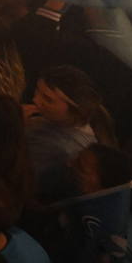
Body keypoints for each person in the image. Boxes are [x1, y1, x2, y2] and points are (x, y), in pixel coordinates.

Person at [25, 65, 116, 203]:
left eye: (48, 99)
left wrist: (13, 126)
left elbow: (24, 181)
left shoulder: (66, 150)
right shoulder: (47, 121)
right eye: (37, 91)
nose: (35, 100)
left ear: (75, 110)